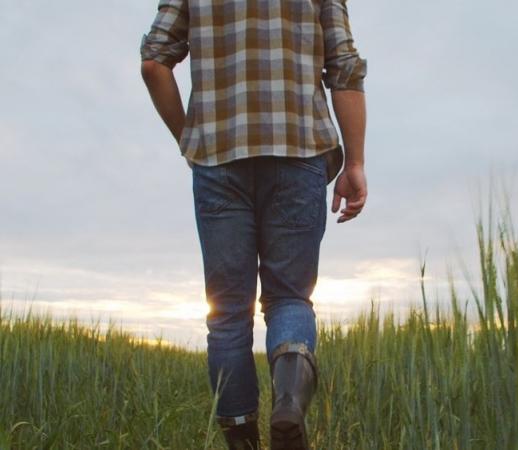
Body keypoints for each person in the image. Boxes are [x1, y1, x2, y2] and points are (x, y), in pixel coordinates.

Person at [139, 0, 367, 448]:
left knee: (226, 315)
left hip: (217, 159)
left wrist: (189, 137)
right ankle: (289, 403)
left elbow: (153, 63)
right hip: (299, 152)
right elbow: (344, 69)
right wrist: (354, 162)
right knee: (289, 298)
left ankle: (243, 441)